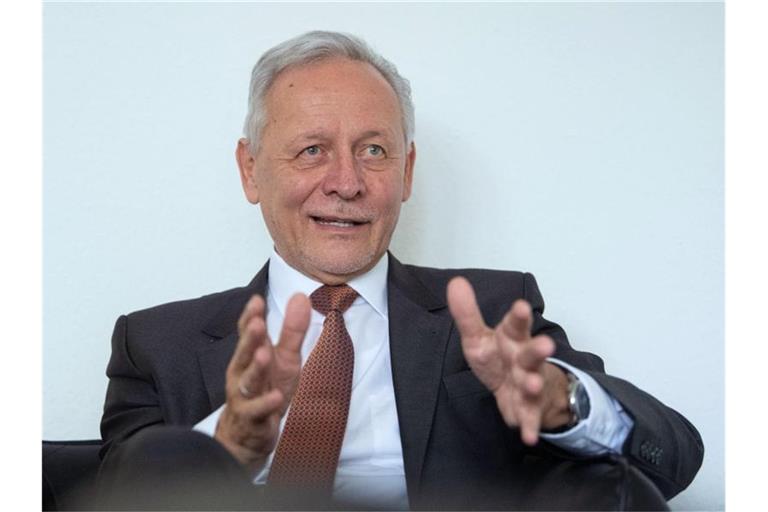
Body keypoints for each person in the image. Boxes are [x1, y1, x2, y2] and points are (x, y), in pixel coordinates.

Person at [98, 30, 703, 510]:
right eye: (312, 150)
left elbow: (672, 460)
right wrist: (225, 444)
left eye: (373, 150)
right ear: (251, 169)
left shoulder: (492, 311)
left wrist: (559, 399)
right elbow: (105, 499)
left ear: (407, 171)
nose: (346, 182)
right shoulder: (156, 344)